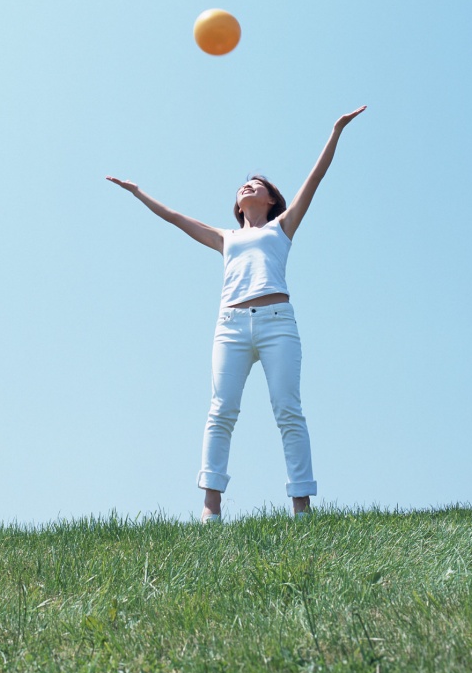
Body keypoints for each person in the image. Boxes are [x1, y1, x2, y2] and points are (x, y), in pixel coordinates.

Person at [106, 105, 366, 522]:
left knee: (287, 410)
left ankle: (302, 507)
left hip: (278, 324)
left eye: (257, 184)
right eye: (243, 184)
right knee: (221, 410)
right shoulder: (226, 237)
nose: (247, 186)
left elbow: (314, 179)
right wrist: (139, 193)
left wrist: (335, 131)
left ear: (270, 198)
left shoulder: (281, 227)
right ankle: (211, 508)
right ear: (238, 204)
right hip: (229, 328)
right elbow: (175, 218)